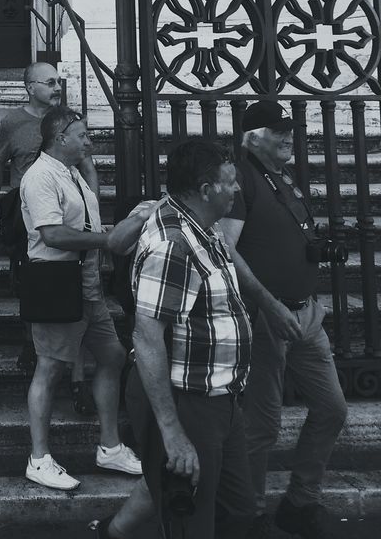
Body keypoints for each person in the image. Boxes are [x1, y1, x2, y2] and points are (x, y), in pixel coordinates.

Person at [219, 101, 347, 539]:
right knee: (262, 423)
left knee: (332, 407)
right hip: (266, 316)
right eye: (279, 132)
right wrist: (270, 304)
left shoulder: (283, 178)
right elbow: (226, 250)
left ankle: (299, 503)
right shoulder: (240, 179)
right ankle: (248, 516)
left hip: (305, 313)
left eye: (290, 131)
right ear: (253, 137)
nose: (289, 138)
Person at [20, 106, 155, 491]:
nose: (88, 141)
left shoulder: (73, 173)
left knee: (112, 355)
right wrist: (107, 239)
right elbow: (53, 235)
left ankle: (110, 446)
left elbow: (85, 228)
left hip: (87, 284)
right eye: (81, 135)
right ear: (60, 136)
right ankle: (39, 458)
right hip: (58, 283)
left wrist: (124, 228)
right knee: (49, 367)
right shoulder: (41, 176)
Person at [128, 136, 255, 539]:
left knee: (237, 511)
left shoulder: (204, 227)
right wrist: (172, 432)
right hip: (188, 402)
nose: (237, 189)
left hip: (221, 398)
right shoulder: (173, 245)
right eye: (230, 182)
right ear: (206, 189)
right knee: (192, 522)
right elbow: (147, 338)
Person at [0, 61, 76, 371]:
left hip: (62, 207)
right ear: (30, 88)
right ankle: (31, 341)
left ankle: (66, 345)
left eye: (57, 82)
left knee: (65, 272)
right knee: (27, 275)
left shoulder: (66, 120)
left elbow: (86, 163)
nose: (57, 88)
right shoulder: (12, 122)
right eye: (50, 83)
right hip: (23, 209)